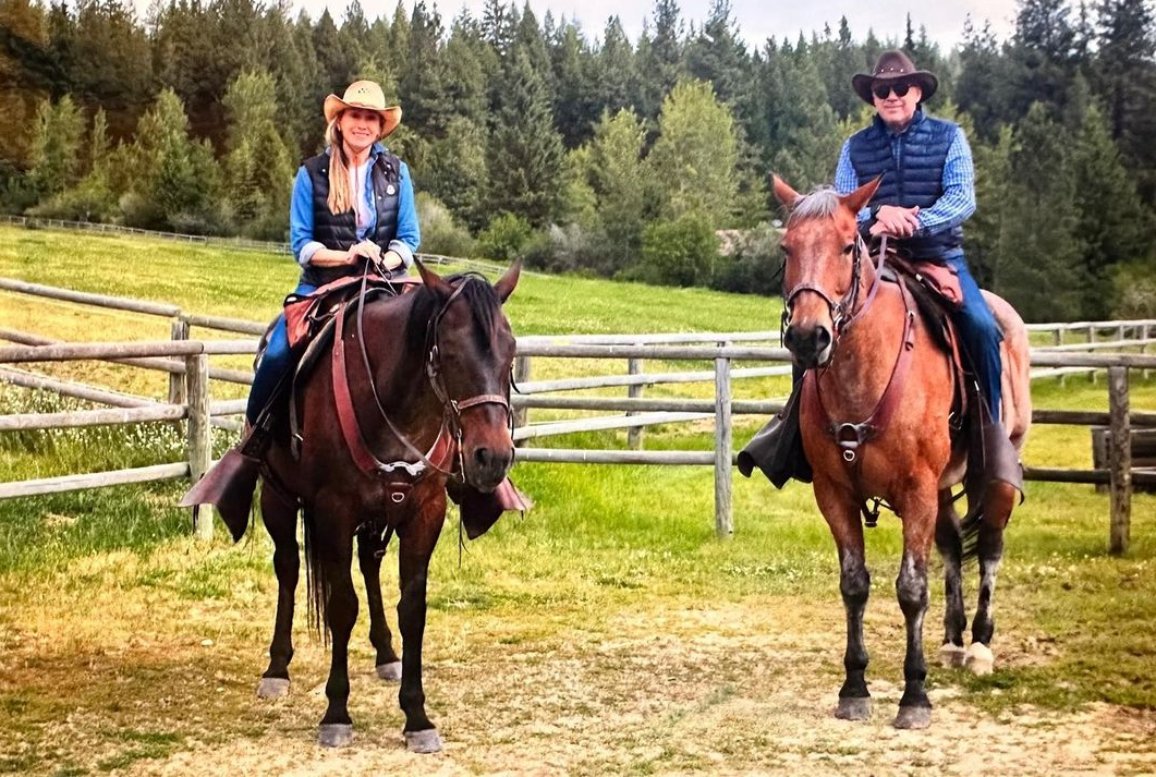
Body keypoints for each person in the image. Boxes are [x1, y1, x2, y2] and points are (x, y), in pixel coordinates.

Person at [739, 50, 1016, 490]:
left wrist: (916, 219)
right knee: (811, 331)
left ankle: (991, 440)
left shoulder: (950, 138)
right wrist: (879, 216)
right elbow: (841, 212)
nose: (890, 96)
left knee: (981, 326)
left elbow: (962, 199)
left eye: (899, 88)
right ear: (873, 98)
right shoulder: (855, 148)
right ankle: (798, 435)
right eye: (881, 90)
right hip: (870, 256)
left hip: (938, 255)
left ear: (917, 91)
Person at [245, 79, 421, 429]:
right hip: (322, 285)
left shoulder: (397, 173)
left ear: (380, 127)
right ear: (339, 121)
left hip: (382, 284)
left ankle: (458, 460)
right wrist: (348, 257)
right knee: (279, 353)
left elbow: (409, 238)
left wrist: (384, 261)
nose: (362, 124)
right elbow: (303, 246)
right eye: (355, 115)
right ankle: (252, 444)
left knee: (437, 345)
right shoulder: (311, 174)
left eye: (371, 118)